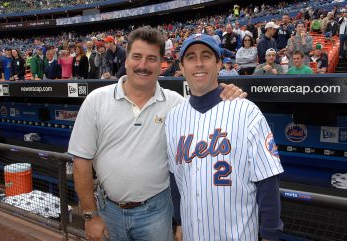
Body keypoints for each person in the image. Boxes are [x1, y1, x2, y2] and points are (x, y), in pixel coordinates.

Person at [68, 26, 246, 241]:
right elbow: (81, 162)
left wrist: (227, 93)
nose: (143, 65)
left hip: (157, 213)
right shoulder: (96, 100)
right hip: (108, 211)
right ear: (126, 60)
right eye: (137, 57)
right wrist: (90, 215)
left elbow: (206, 104)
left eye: (151, 58)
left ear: (161, 64)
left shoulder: (176, 104)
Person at [165, 33, 284, 241]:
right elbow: (176, 179)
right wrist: (180, 222)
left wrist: (270, 234)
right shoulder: (173, 117)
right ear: (182, 67)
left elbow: (268, 179)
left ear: (219, 63)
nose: (199, 63)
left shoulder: (246, 111)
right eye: (191, 57)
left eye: (207, 56)